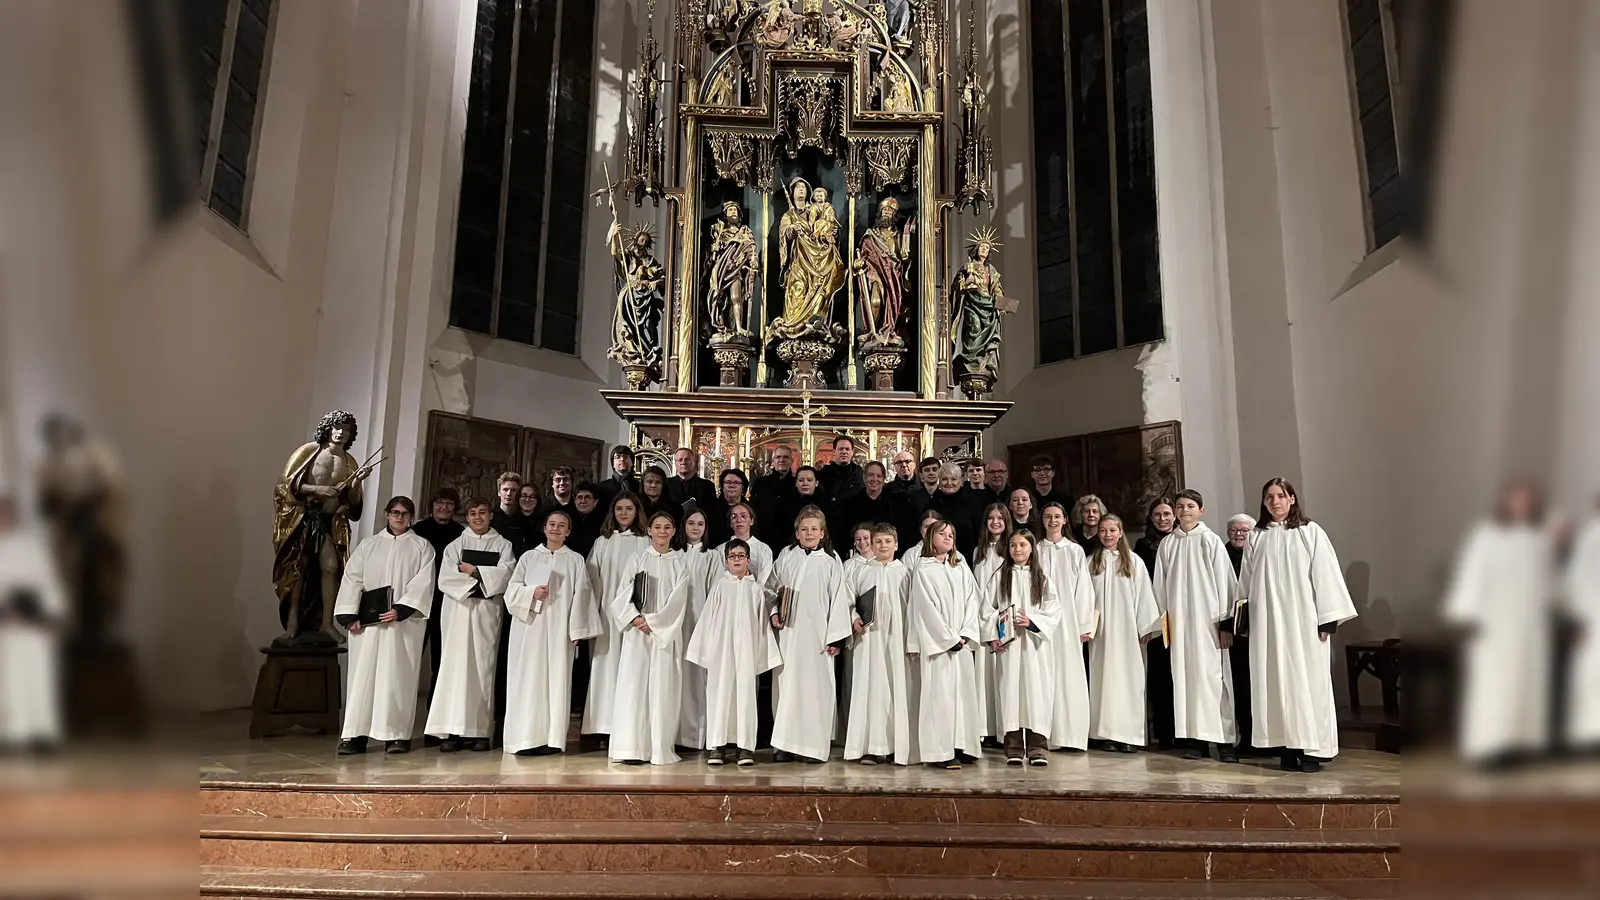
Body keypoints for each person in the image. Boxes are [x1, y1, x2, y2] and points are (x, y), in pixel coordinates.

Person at [1236, 478, 1357, 773]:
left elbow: (1326, 574)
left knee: (1307, 682)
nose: (1275, 501)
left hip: (1303, 623)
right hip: (1268, 625)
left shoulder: (1309, 532)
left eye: (1280, 496)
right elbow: (1246, 581)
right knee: (1274, 682)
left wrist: (1328, 619)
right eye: (1269, 497)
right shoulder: (1257, 536)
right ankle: (1286, 746)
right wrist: (1244, 619)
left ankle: (1314, 749)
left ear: (1292, 499)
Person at [1442, 480, 1554, 767]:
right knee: (1494, 688)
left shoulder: (1538, 540)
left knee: (1525, 687)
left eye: (1527, 499)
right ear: (1505, 501)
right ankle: (1489, 748)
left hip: (1528, 628)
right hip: (1495, 628)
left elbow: (1551, 584)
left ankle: (1518, 746)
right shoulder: (1487, 536)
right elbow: (1471, 575)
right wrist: (1466, 615)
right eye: (1516, 498)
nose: (1521, 504)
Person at [334, 496, 436, 755]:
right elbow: (352, 579)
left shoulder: (422, 547)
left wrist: (401, 609)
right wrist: (349, 615)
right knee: (362, 679)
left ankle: (397, 735)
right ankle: (354, 735)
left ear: (411, 517)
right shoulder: (369, 546)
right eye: (395, 512)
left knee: (397, 678)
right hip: (367, 627)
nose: (399, 517)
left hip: (402, 626)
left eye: (404, 513)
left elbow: (423, 583)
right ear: (386, 514)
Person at [502, 510, 601, 756]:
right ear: (544, 528)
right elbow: (510, 592)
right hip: (529, 629)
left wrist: (576, 630)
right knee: (527, 681)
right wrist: (530, 593)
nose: (556, 529)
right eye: (552, 524)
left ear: (568, 531)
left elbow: (582, 595)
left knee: (556, 682)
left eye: (562, 525)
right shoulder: (528, 558)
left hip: (559, 632)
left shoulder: (575, 560)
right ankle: (524, 738)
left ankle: (552, 739)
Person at [1153, 490, 1239, 763]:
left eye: (1191, 506)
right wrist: (1164, 626)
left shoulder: (1211, 542)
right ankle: (1194, 739)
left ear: (1201, 510)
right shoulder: (1168, 544)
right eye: (1180, 506)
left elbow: (1227, 586)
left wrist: (1226, 626)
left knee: (1215, 680)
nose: (1185, 510)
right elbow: (1160, 588)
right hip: (1180, 627)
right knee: (1185, 680)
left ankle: (1224, 740)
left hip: (1209, 625)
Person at [424, 497, 515, 752]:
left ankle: (479, 732)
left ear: (490, 516)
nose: (477, 517)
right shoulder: (455, 545)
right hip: (458, 611)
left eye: (482, 512)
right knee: (454, 668)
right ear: (467, 517)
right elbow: (446, 579)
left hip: (486, 612)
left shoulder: (503, 545)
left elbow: (507, 574)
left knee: (483, 668)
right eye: (473, 513)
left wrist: (475, 571)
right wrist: (483, 576)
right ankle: (450, 731)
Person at [769, 506, 853, 763]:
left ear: (822, 533)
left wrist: (835, 638)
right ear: (796, 532)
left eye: (814, 529)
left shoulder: (830, 561)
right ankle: (783, 744)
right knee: (787, 688)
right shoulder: (786, 556)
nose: (809, 533)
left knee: (816, 689)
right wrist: (774, 612)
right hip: (789, 635)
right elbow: (772, 588)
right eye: (804, 529)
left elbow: (839, 599)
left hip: (818, 638)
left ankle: (813, 747)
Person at [687, 540, 782, 767]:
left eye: (741, 555)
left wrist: (762, 655)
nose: (737, 559)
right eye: (732, 556)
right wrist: (705, 651)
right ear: (726, 560)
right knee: (719, 695)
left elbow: (761, 625)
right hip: (722, 652)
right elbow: (708, 620)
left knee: (745, 697)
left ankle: (745, 748)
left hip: (747, 652)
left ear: (749, 560)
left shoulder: (755, 589)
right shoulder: (720, 587)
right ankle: (717, 746)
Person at [607, 511, 689, 765]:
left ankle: (658, 748)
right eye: (657, 527)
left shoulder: (680, 562)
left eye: (667, 527)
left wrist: (652, 622)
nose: (662, 531)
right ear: (650, 530)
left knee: (662, 689)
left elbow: (678, 601)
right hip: (637, 634)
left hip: (663, 635)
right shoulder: (638, 557)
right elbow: (622, 592)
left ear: (674, 532)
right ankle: (632, 748)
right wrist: (634, 617)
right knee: (634, 688)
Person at [907, 519, 983, 769]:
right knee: (940, 698)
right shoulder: (923, 569)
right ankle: (940, 751)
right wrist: (948, 638)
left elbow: (973, 599)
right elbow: (924, 608)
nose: (949, 538)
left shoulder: (960, 566)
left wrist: (966, 632)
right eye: (943, 534)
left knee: (963, 696)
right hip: (940, 647)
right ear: (931, 538)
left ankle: (963, 744)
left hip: (961, 641)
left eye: (952, 534)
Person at [983, 530, 1059, 766]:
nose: (1018, 550)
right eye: (1013, 545)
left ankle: (1037, 748)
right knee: (1011, 693)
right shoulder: (1000, 576)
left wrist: (1032, 621)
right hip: (1010, 647)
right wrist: (994, 634)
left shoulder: (1041, 578)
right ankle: (1014, 747)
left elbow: (1054, 609)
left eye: (1023, 545)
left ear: (1031, 548)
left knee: (1036, 694)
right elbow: (986, 608)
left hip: (1034, 646)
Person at [1087, 515, 1162, 753]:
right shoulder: (1091, 562)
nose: (1108, 535)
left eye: (1112, 530)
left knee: (1129, 680)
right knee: (1103, 681)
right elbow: (1085, 598)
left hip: (1129, 633)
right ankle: (1105, 734)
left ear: (1121, 533)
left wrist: (1146, 628)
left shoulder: (1134, 562)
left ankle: (1129, 734)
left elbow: (1144, 596)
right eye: (1103, 531)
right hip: (1101, 634)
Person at [844, 523, 915, 765]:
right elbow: (848, 599)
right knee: (871, 689)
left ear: (896, 544)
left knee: (898, 688)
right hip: (869, 639)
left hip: (897, 639)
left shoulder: (904, 572)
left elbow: (914, 609)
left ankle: (897, 747)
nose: (883, 546)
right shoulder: (862, 571)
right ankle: (871, 747)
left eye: (887, 541)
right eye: (878, 542)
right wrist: (854, 618)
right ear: (871, 545)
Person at [0, 497, 67, 751]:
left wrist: (51, 615)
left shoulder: (32, 548)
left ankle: (42, 732)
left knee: (38, 674)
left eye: (6, 514)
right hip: (5, 627)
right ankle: (9, 735)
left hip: (34, 624)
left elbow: (48, 582)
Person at [582, 492, 649, 745]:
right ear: (613, 512)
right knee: (605, 668)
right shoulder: (603, 542)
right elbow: (591, 580)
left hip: (634, 617)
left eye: (629, 509)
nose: (623, 513)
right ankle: (603, 727)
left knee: (631, 669)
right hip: (607, 616)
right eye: (619, 508)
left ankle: (629, 726)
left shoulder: (645, 543)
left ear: (636, 512)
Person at [1038, 501, 1094, 752]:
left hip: (1068, 622)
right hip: (1041, 623)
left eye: (1057, 516)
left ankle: (1070, 734)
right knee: (1043, 675)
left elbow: (1084, 590)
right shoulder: (1035, 549)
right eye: (1048, 516)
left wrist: (1083, 624)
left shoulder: (1074, 551)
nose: (1052, 521)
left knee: (1069, 674)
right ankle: (1044, 735)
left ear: (1064, 521)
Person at [411, 487, 464, 711]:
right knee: (411, 656)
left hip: (446, 602)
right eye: (440, 503)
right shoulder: (418, 530)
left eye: (449, 504)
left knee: (441, 661)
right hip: (419, 601)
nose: (444, 507)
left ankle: (435, 712)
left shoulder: (461, 532)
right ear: (432, 505)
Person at [1135, 498, 1176, 750]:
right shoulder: (1143, 545)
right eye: (1157, 514)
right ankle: (1164, 732)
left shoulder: (1185, 541)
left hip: (1183, 613)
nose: (1163, 518)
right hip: (1157, 615)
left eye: (1167, 513)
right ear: (1151, 518)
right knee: (1160, 674)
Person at [969, 503, 1011, 743]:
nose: (995, 522)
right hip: (984, 619)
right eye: (991, 518)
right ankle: (987, 729)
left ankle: (1005, 729)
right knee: (984, 675)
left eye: (1000, 518)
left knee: (1003, 674)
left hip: (1003, 617)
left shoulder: (1012, 549)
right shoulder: (978, 552)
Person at [676, 509, 718, 752]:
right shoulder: (673, 554)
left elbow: (715, 591)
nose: (695, 527)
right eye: (691, 523)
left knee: (696, 679)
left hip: (699, 622)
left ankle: (694, 736)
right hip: (675, 624)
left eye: (700, 523)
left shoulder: (711, 556)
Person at [1565, 496, 1600, 753]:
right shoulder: (1591, 537)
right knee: (1591, 678)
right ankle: (1590, 737)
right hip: (1593, 620)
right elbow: (1575, 581)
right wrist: (1578, 619)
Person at [1223, 513, 1256, 753]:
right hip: (1233, 631)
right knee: (1240, 685)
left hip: (1259, 628)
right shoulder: (1220, 555)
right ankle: (1245, 737)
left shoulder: (1258, 554)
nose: (1238, 534)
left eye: (1244, 530)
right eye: (1234, 530)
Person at [926, 462, 981, 560]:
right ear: (939, 481)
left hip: (967, 555)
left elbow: (978, 531)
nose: (949, 483)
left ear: (960, 480)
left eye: (953, 479)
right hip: (938, 555)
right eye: (944, 479)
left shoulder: (971, 502)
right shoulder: (932, 503)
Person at [840, 461, 898, 549]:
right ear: (864, 478)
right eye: (870, 475)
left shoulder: (896, 502)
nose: (874, 479)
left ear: (884, 479)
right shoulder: (850, 504)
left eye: (879, 476)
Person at [751, 445, 797, 548]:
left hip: (790, 540)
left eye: (786, 457)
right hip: (763, 538)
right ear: (773, 461)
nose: (781, 460)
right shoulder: (760, 483)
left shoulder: (797, 484)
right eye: (778, 457)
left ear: (792, 460)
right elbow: (753, 510)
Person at [778, 466, 830, 547]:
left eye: (809, 480)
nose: (805, 483)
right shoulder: (785, 505)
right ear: (796, 483)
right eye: (801, 480)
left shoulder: (826, 505)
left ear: (816, 483)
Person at [817, 435, 866, 507]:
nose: (844, 451)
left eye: (847, 449)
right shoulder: (822, 474)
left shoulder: (861, 475)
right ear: (834, 451)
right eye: (841, 449)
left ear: (852, 452)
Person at [705, 469, 748, 548]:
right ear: (722, 486)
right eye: (728, 482)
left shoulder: (750, 510)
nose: (732, 485)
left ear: (743, 487)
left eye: (736, 483)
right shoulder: (710, 509)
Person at [666, 447, 718, 512]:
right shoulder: (666, 484)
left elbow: (713, 512)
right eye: (680, 460)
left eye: (687, 459)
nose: (683, 462)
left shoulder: (707, 486)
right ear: (675, 463)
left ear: (694, 462)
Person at [491, 472, 530, 556]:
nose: (509, 494)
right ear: (499, 492)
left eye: (513, 490)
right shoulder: (489, 518)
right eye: (505, 489)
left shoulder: (525, 520)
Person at [566, 483, 606, 558]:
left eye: (587, 497)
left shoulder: (604, 520)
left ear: (595, 502)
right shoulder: (566, 518)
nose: (583, 501)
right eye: (579, 497)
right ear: (575, 501)